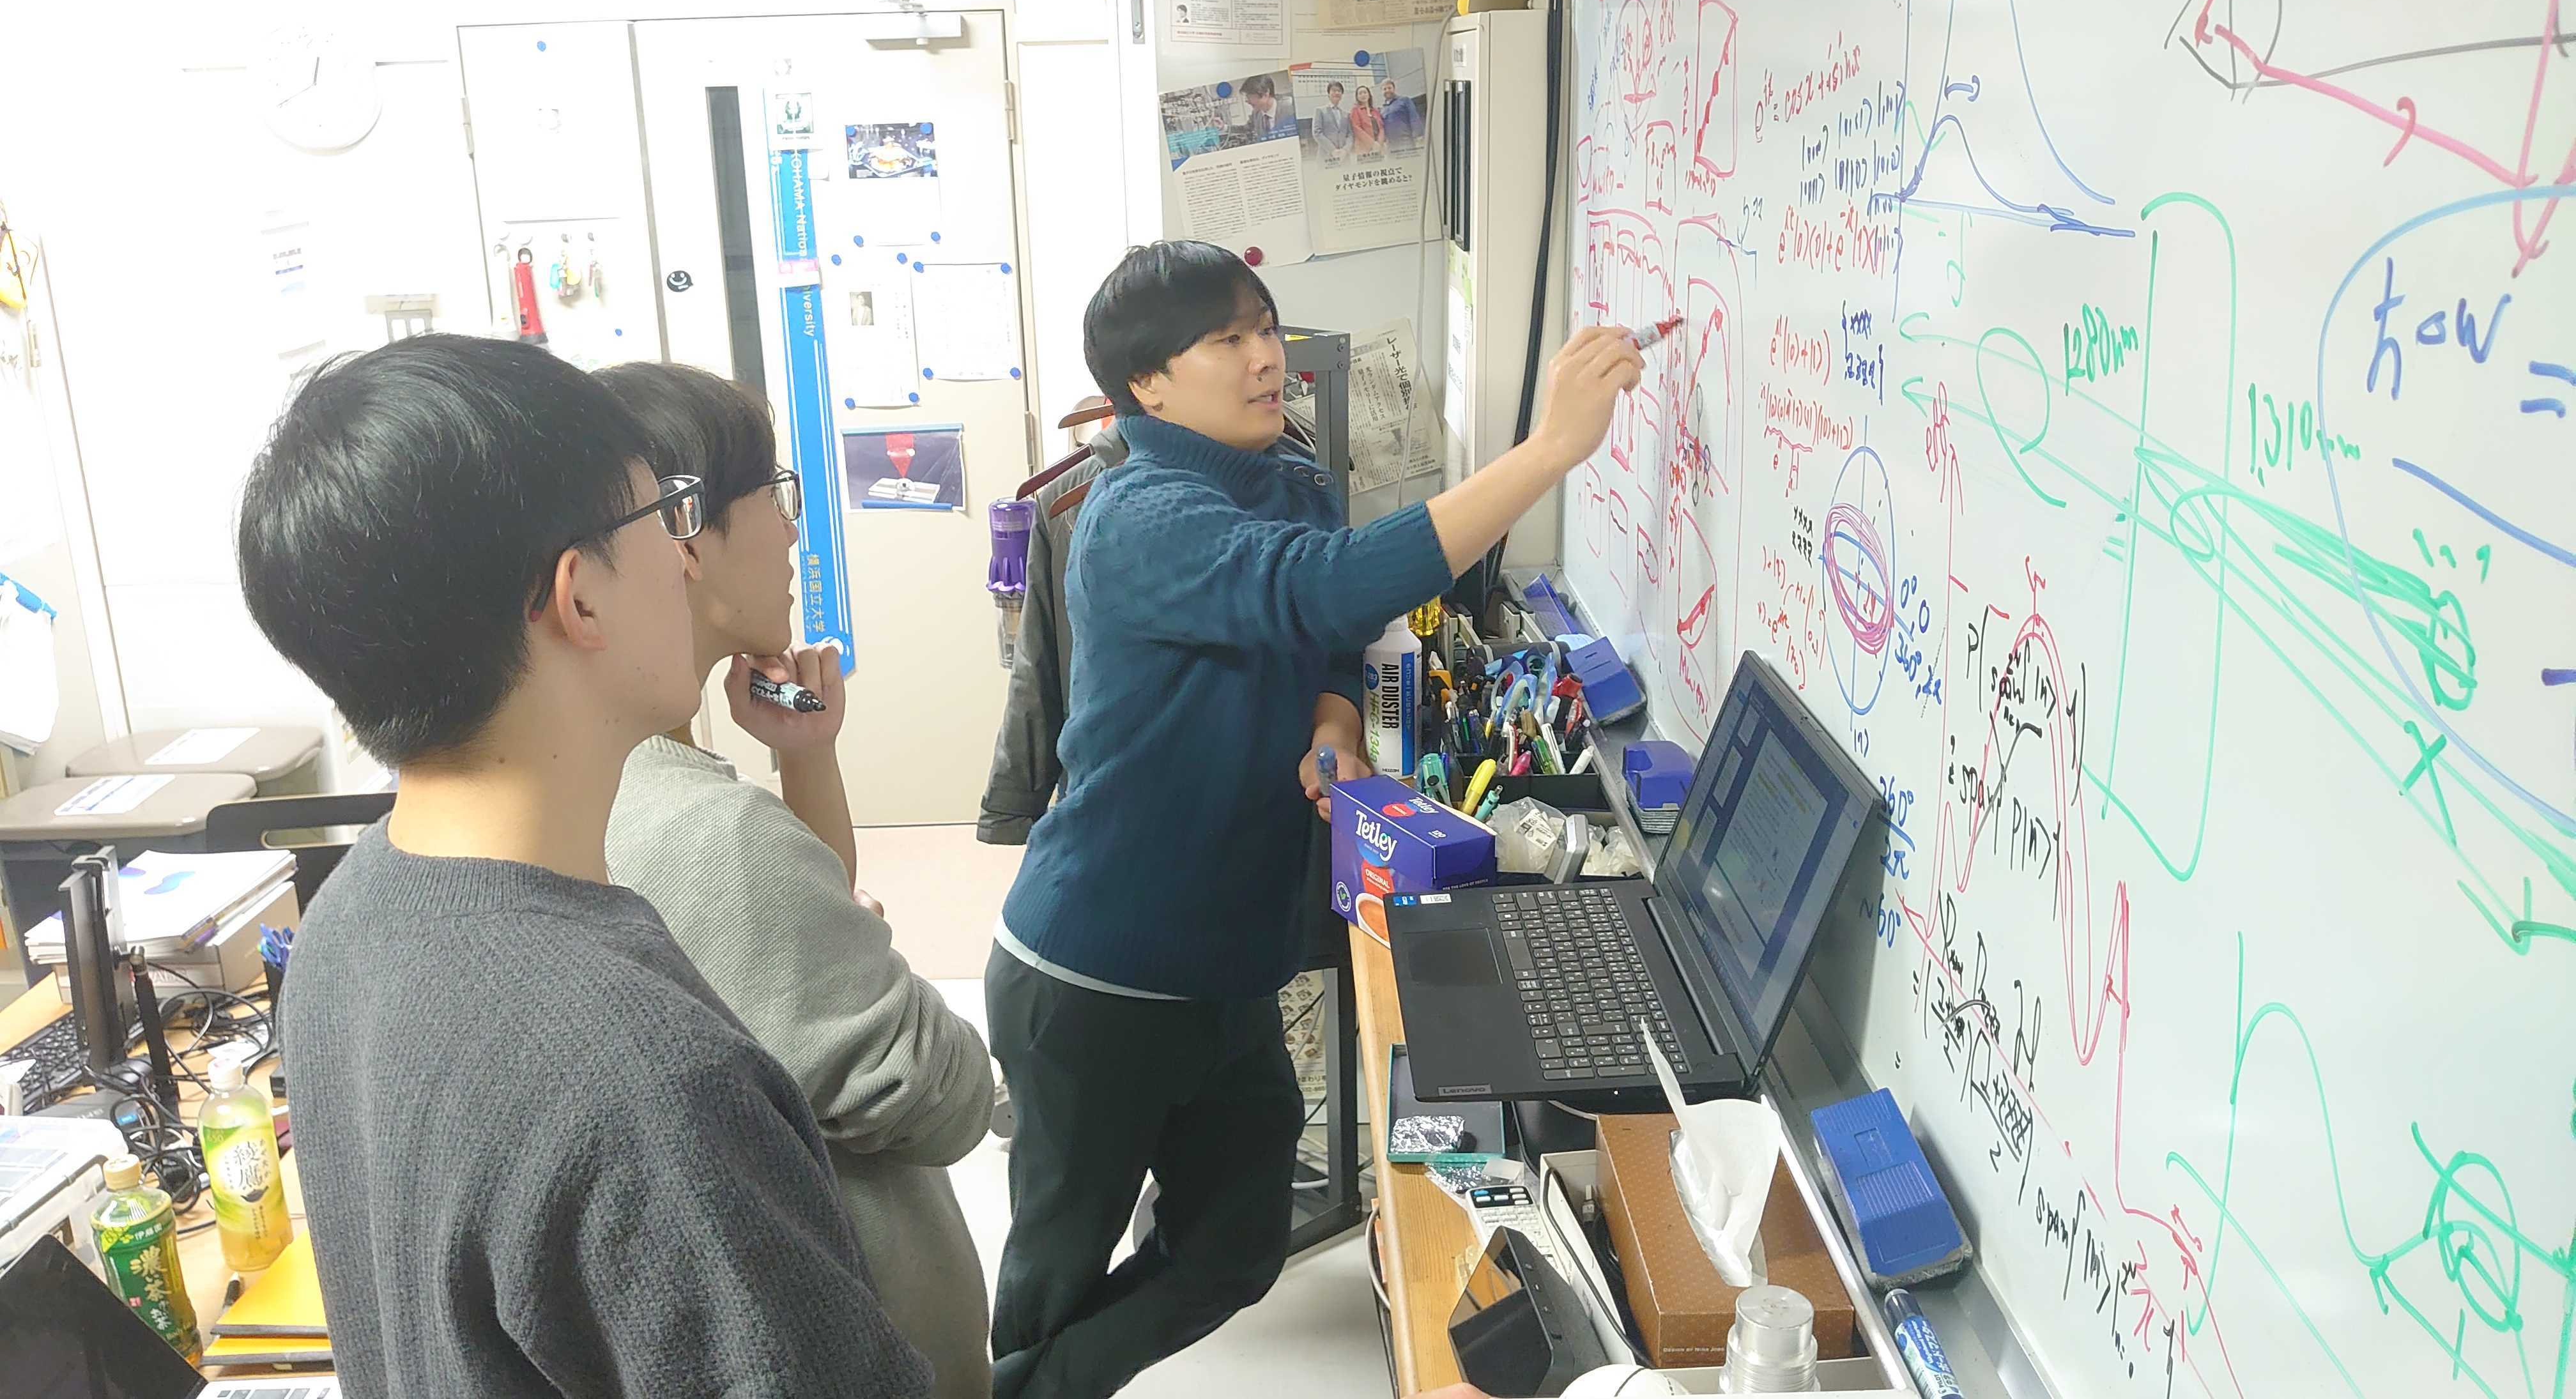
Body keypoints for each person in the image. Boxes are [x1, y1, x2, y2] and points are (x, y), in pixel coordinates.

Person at [985, 241, 1641, 1399]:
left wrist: (1334, 720)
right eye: (1225, 339)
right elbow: (1328, 583)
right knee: (1055, 1283)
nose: (1264, 357)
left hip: (1225, 965)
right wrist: (1548, 451)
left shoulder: (1286, 476)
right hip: (1096, 971)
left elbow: (1329, 629)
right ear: (1146, 384)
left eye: (1264, 327)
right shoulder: (1138, 513)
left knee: (1239, 1243)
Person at [234, 335, 931, 1397]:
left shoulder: (345, 920)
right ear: (581, 597)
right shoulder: (646, 1084)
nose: (686, 558)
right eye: (664, 518)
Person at [597, 363, 998, 1398]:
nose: (790, 529)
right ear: (683, 533)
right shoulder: (707, 832)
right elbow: (945, 1095)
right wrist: (874, 959)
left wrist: (804, 757)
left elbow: (804, 901)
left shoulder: (633, 769)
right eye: (771, 493)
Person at [1312, 81, 1353, 163]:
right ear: (1329, 94)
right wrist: (1333, 150)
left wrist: (1345, 150)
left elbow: (1350, 135)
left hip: (1344, 158)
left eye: (1339, 91)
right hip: (1326, 157)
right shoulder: (1320, 111)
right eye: (1334, 91)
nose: (1337, 93)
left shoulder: (1346, 114)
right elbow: (1317, 133)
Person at [1379, 77, 1423, 149]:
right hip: (1391, 145)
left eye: (1389, 88)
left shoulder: (1405, 100)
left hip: (1406, 141)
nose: (1387, 91)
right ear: (1382, 92)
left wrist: (1418, 136)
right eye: (1385, 89)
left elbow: (1414, 117)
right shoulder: (1382, 109)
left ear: (1394, 89)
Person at [1239, 73, 1280, 142]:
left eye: (1249, 96)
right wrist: (1224, 127)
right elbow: (1245, 129)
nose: (1246, 101)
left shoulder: (1290, 109)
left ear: (1266, 94)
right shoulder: (1256, 114)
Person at [1351, 82, 1386, 157]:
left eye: (1365, 92)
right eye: (1360, 93)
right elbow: (1357, 129)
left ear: (1369, 95)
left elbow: (1381, 128)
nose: (1363, 95)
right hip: (1364, 149)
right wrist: (1372, 144)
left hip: (1379, 148)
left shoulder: (1375, 111)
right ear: (1357, 97)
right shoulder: (1355, 110)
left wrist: (1379, 143)